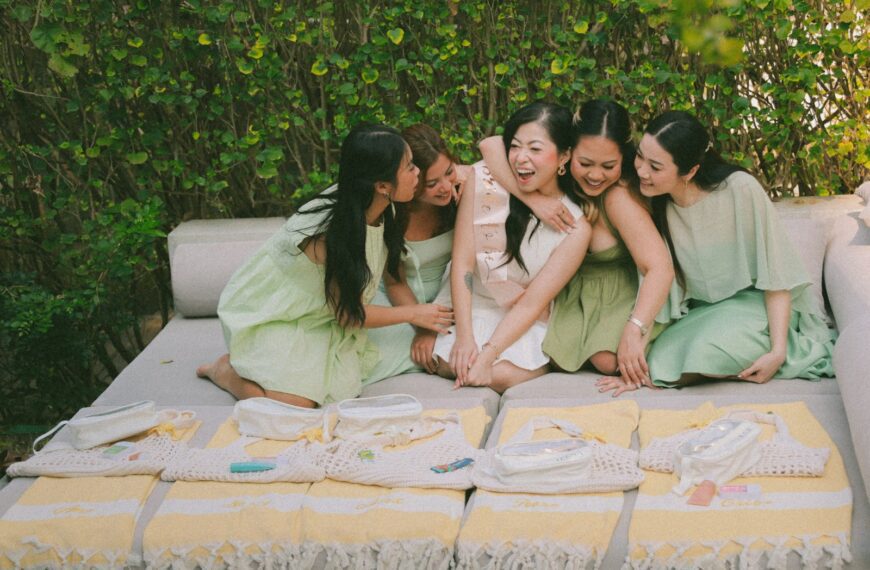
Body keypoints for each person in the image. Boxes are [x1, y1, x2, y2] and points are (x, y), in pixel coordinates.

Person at [196, 124, 454, 407]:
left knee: (340, 386)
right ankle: (224, 371)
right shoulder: (330, 234)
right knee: (293, 407)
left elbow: (388, 281)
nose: (418, 172)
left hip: (322, 312)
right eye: (409, 168)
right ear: (382, 185)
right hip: (276, 313)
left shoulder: (384, 204)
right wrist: (414, 313)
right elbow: (348, 314)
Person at [599, 110, 834, 394]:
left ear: (690, 171)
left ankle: (776, 346)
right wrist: (635, 345)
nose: (641, 171)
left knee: (704, 351)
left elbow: (777, 276)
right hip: (703, 314)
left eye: (656, 166)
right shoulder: (657, 202)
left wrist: (779, 350)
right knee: (657, 360)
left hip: (759, 307)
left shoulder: (740, 189)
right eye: (640, 156)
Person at [481, 100, 674, 394]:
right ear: (567, 154)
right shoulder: (561, 182)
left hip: (616, 293)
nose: (595, 175)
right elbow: (492, 144)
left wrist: (636, 329)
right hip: (571, 293)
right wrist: (535, 201)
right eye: (585, 164)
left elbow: (659, 266)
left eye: (608, 166)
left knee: (608, 361)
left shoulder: (617, 198)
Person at [432, 101, 593, 393]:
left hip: (522, 316)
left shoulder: (576, 228)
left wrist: (489, 354)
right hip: (474, 305)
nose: (521, 158)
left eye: (535, 149)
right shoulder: (484, 182)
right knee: (455, 362)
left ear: (564, 156)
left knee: (500, 374)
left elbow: (533, 302)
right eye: (515, 146)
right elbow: (463, 264)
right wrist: (465, 338)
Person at [364, 124, 468, 380]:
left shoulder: (462, 194)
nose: (445, 187)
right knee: (378, 357)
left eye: (449, 172)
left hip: (447, 296)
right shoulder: (395, 212)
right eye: (432, 183)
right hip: (398, 298)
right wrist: (424, 327)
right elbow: (394, 282)